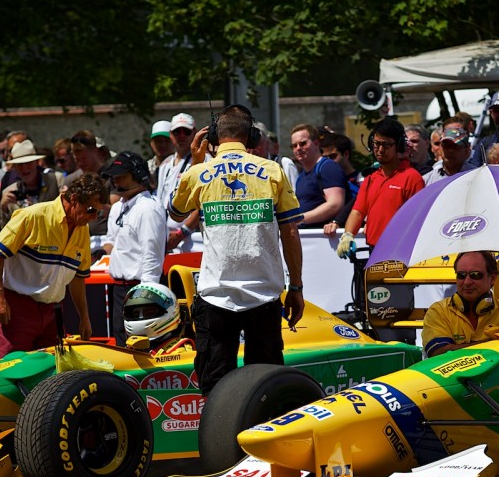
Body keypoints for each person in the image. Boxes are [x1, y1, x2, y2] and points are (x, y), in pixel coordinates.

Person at [169, 104, 304, 396]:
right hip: (265, 293)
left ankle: (219, 439)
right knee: (267, 387)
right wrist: (296, 286)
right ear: (253, 137)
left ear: (215, 137)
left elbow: (176, 214)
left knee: (215, 388)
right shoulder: (273, 170)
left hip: (215, 294)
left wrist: (195, 162)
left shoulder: (198, 173)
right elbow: (290, 231)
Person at [0, 173, 108, 360]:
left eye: (98, 212)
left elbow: (78, 278)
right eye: (91, 209)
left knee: (52, 377)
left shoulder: (82, 229)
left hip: (52, 312)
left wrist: (84, 317)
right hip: (18, 310)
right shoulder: (33, 215)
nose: (94, 217)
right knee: (6, 374)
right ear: (74, 199)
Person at [325, 118, 424, 257]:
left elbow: (417, 220)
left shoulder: (412, 178)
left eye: (386, 145)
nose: (380, 150)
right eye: (377, 144)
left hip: (402, 252)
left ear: (399, 146)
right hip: (374, 251)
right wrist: (347, 235)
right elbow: (357, 212)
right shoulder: (370, 180)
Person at [422, 251, 499, 358]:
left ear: (492, 278)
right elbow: (439, 353)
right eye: (461, 275)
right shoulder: (438, 311)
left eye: (475, 275)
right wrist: (498, 344)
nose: (467, 282)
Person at [100, 151, 167, 345]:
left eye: (121, 175)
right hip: (119, 289)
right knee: (122, 346)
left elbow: (152, 257)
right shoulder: (117, 208)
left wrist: (146, 298)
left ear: (139, 176)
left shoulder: (148, 209)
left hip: (141, 289)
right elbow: (111, 242)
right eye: (114, 176)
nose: (115, 180)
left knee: (143, 346)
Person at [290, 123, 348, 228]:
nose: (298, 148)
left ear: (316, 143)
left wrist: (300, 219)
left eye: (303, 144)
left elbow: (335, 204)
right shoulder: (301, 176)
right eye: (294, 145)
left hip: (326, 240)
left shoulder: (328, 168)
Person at [156, 114, 199, 250]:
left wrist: (183, 232)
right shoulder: (165, 164)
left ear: (194, 133)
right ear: (170, 134)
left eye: (186, 132)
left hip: (192, 239)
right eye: (177, 132)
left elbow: (203, 203)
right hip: (166, 237)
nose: (181, 136)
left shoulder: (203, 160)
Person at [0, 139, 61, 229]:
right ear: (14, 167)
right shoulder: (9, 193)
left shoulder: (56, 180)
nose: (24, 168)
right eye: (20, 164)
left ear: (37, 163)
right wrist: (4, 209)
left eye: (28, 163)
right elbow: (5, 231)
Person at [121, 282, 193, 353]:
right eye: (135, 315)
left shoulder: (180, 352)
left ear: (171, 311)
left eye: (148, 313)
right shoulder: (127, 352)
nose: (140, 317)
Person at [147, 120, 173, 187]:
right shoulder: (146, 167)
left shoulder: (181, 166)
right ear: (151, 143)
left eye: (167, 141)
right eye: (158, 141)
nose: (162, 145)